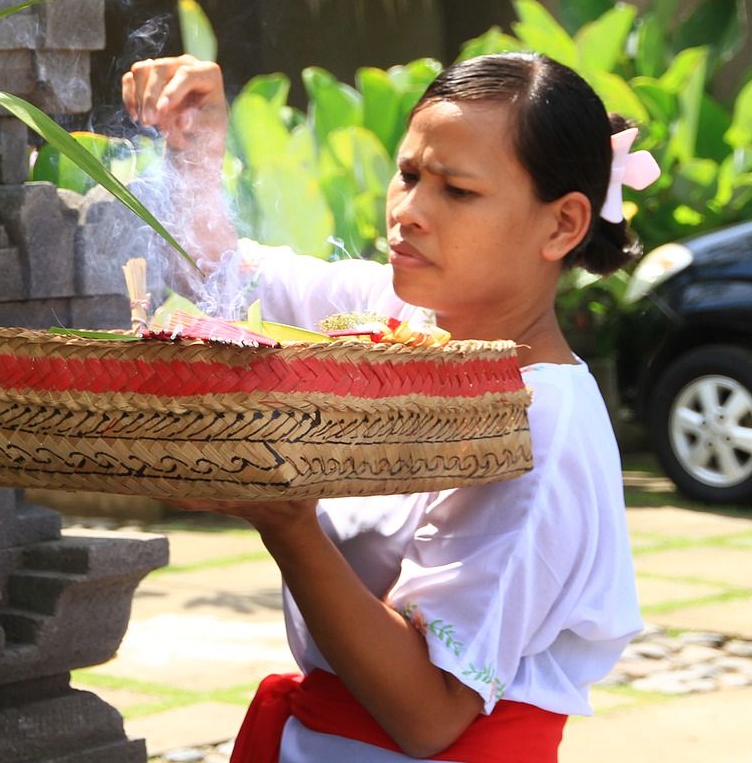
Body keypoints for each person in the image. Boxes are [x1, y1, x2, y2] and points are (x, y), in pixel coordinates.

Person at [120, 52, 652, 762]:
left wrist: (288, 523)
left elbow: (430, 717)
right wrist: (195, 151)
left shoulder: (540, 423)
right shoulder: (398, 318)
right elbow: (220, 284)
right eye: (408, 176)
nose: (409, 212)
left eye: (456, 191)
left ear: (562, 225)